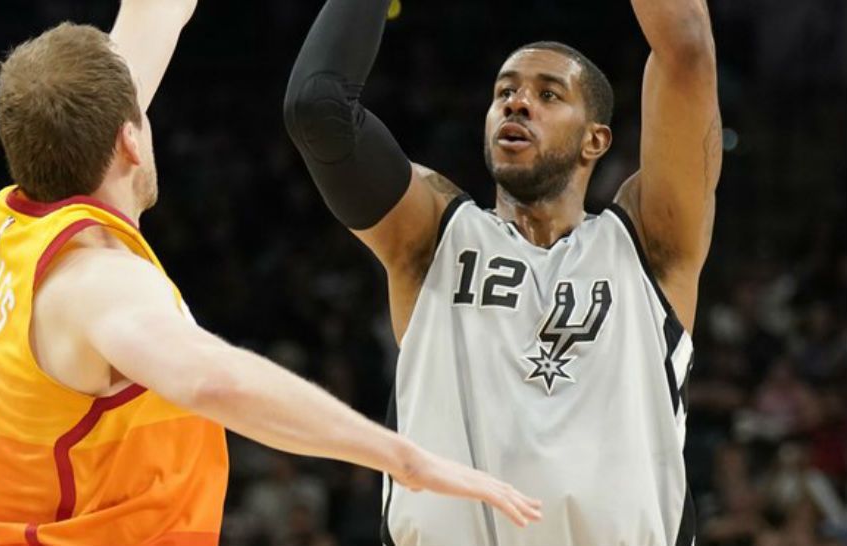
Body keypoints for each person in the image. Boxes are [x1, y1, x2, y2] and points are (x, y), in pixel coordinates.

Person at [0, 1, 542, 545]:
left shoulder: (24, 208)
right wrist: (408, 461)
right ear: (130, 141)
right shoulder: (95, 280)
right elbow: (214, 382)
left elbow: (154, 11)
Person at [283, 0, 721, 543]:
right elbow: (318, 108)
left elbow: (686, 50)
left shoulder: (649, 244)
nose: (517, 103)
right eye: (504, 92)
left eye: (548, 94)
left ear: (596, 140)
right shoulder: (433, 235)